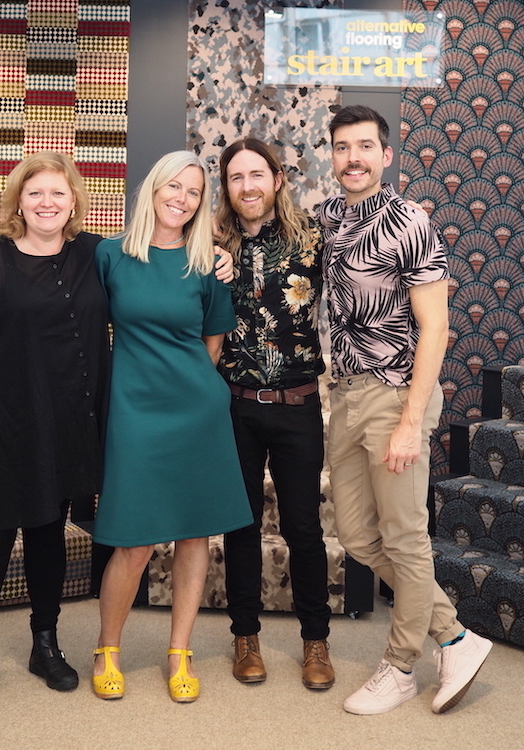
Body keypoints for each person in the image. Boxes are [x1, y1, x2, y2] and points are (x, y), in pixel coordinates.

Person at [318, 105, 492, 715]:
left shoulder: (410, 222)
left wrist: (411, 423)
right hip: (345, 394)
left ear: (386, 155)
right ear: (332, 156)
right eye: (343, 148)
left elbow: (436, 329)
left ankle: (399, 668)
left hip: (396, 394)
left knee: (405, 538)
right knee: (356, 534)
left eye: (365, 146)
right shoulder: (329, 217)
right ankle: (455, 636)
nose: (354, 158)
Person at [0, 151, 112, 719]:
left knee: (47, 536)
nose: (46, 203)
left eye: (58, 193)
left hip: (65, 425)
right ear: (18, 200)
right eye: (35, 192)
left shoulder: (94, 255)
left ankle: (45, 644)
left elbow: (157, 261)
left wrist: (216, 258)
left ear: (74, 202)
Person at [91, 150, 253, 703]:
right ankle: (107, 648)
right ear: (153, 189)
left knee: (194, 535)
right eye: (173, 187)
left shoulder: (207, 263)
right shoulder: (110, 255)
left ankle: (180, 653)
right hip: (134, 413)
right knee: (133, 543)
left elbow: (213, 344)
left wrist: (190, 391)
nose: (181, 199)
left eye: (193, 192)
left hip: (197, 413)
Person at [214, 138, 334, 690]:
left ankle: (316, 642)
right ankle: (245, 638)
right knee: (239, 525)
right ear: (227, 187)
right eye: (236, 177)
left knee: (303, 528)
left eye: (256, 174)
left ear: (277, 178)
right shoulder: (212, 242)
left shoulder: (314, 235)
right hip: (234, 407)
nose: (248, 186)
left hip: (298, 405)